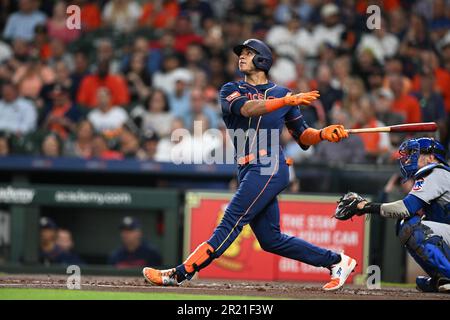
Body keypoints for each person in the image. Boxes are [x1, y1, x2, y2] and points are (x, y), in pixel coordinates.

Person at [143, 39, 356, 291]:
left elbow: (303, 137)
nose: (241, 57)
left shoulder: (284, 94)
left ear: (262, 60)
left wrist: (322, 134)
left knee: (231, 220)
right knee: (271, 240)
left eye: (248, 53)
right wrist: (287, 102)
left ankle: (180, 273)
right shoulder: (231, 88)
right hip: (247, 167)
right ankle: (337, 261)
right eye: (241, 53)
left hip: (269, 165)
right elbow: (247, 109)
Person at [335, 137, 450, 293]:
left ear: (431, 157)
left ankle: (446, 275)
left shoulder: (436, 172)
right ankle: (441, 277)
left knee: (408, 225)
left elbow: (405, 208)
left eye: (417, 154)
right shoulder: (439, 175)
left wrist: (366, 206)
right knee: (410, 223)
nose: (410, 158)